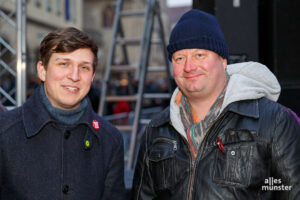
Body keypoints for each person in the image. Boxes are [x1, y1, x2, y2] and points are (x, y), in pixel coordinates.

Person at [132, 9, 300, 200]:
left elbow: (291, 192)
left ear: (222, 61)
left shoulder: (275, 122)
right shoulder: (156, 131)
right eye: (179, 58)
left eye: (199, 55)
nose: (189, 67)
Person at [0, 27, 125, 199]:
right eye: (64, 64)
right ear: (42, 70)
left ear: (92, 76)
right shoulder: (4, 132)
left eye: (84, 67)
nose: (74, 76)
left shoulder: (110, 140)